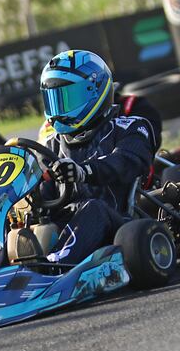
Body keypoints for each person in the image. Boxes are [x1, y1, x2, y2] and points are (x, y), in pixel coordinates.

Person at [40, 50, 158, 265]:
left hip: (118, 224)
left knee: (93, 208)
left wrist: (83, 171)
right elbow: (44, 197)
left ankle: (55, 268)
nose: (59, 109)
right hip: (65, 226)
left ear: (95, 92)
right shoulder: (50, 146)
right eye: (54, 100)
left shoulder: (129, 127)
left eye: (68, 98)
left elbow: (127, 161)